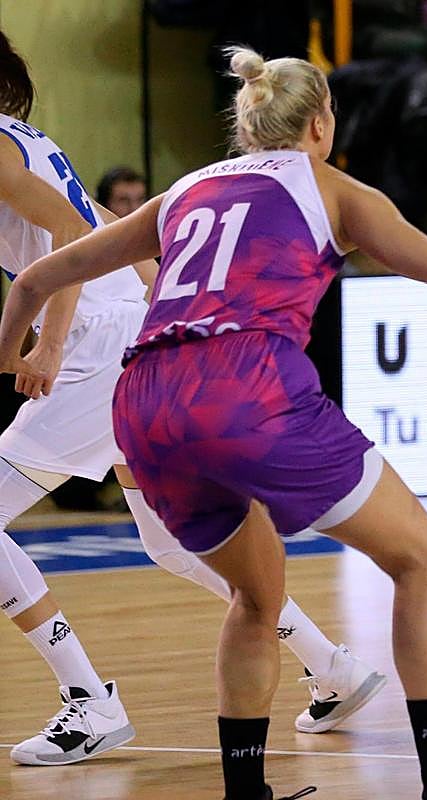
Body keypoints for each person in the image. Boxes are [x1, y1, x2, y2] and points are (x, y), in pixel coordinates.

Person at [0, 47, 427, 799]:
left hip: (143, 396)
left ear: (244, 126)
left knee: (253, 596)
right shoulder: (330, 188)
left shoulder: (185, 189)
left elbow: (39, 276)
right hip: (245, 383)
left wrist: (11, 353)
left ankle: (250, 787)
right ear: (321, 123)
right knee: (419, 557)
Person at [0, 31, 389, 769]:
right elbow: (110, 231)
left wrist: (47, 345)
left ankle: (89, 701)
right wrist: (153, 314)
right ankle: (332, 667)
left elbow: (70, 231)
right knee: (172, 544)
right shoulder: (27, 138)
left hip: (94, 344)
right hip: (124, 333)